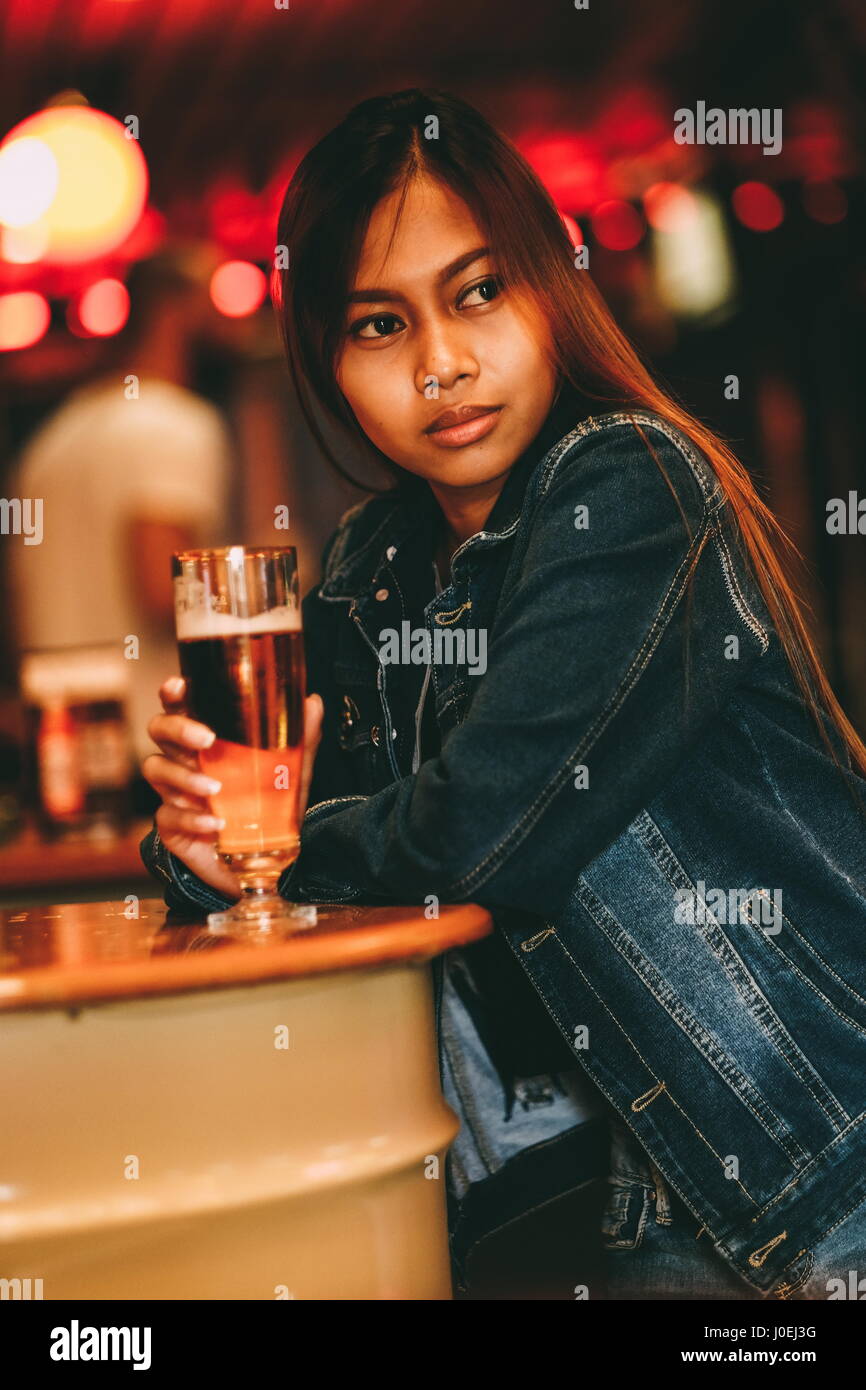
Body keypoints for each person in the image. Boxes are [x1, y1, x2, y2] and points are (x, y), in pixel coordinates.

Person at [140, 89, 866, 1301]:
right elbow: (318, 860)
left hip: (809, 1173)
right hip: (570, 1197)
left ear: (549, 290)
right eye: (379, 324)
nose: (442, 363)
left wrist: (276, 845)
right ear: (326, 360)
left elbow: (481, 832)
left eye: (478, 292)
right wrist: (194, 836)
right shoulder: (375, 568)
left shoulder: (628, 484)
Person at [8, 250, 234, 795]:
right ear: (175, 311)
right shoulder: (173, 426)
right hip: (153, 746)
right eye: (216, 302)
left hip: (59, 750)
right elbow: (163, 591)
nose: (234, 324)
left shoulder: (53, 438)